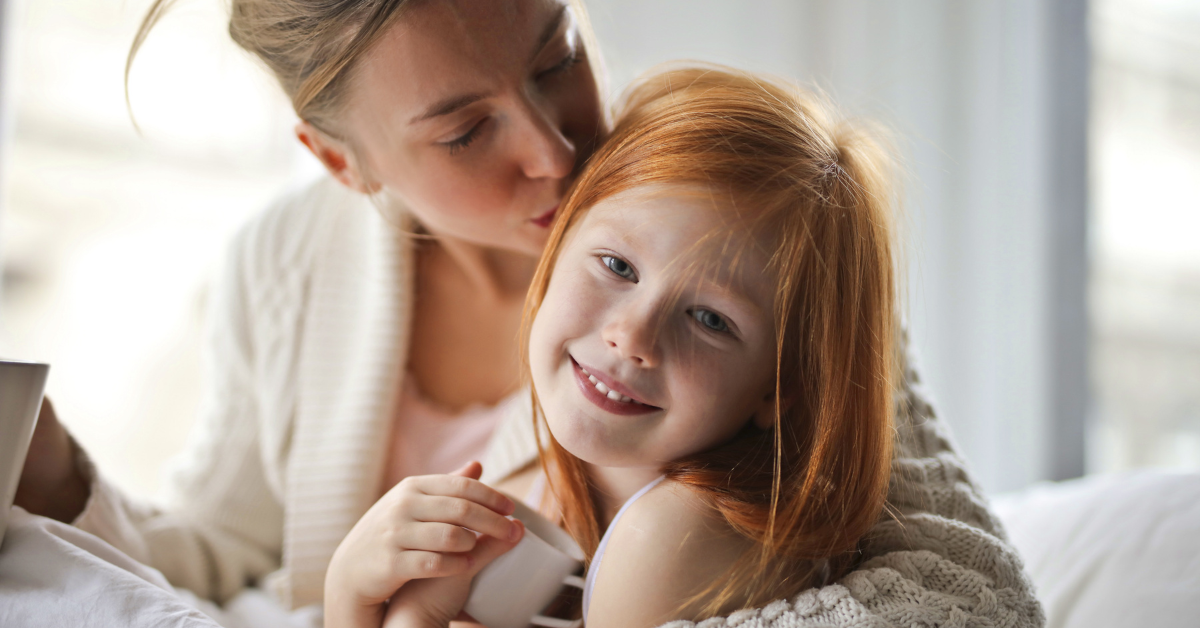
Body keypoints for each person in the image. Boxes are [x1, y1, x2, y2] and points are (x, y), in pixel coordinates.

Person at [14, 1, 1043, 626]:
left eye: (557, 54)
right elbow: (224, 551)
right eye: (465, 131)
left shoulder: (732, 208)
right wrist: (54, 475)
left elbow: (967, 589)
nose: (557, 149)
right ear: (341, 161)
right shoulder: (284, 261)